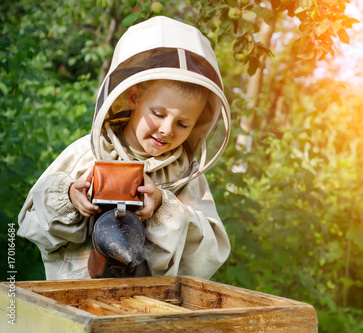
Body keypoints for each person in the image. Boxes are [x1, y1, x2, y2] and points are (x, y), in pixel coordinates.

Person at [17, 16, 231, 280]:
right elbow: (31, 223)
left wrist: (164, 207)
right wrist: (72, 198)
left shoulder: (186, 175)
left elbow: (207, 255)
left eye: (183, 123)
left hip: (148, 309)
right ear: (133, 98)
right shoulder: (88, 153)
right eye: (158, 113)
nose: (166, 129)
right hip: (76, 301)